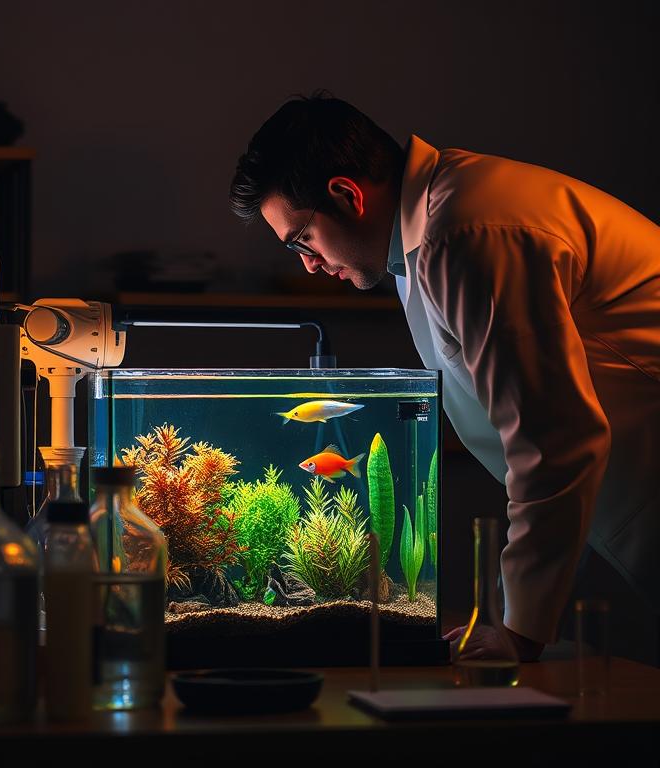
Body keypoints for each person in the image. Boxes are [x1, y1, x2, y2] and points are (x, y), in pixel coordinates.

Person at [229, 93, 660, 664]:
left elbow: (557, 441)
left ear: (347, 194)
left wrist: (519, 632)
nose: (306, 263)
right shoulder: (423, 238)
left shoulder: (466, 233)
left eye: (300, 238)